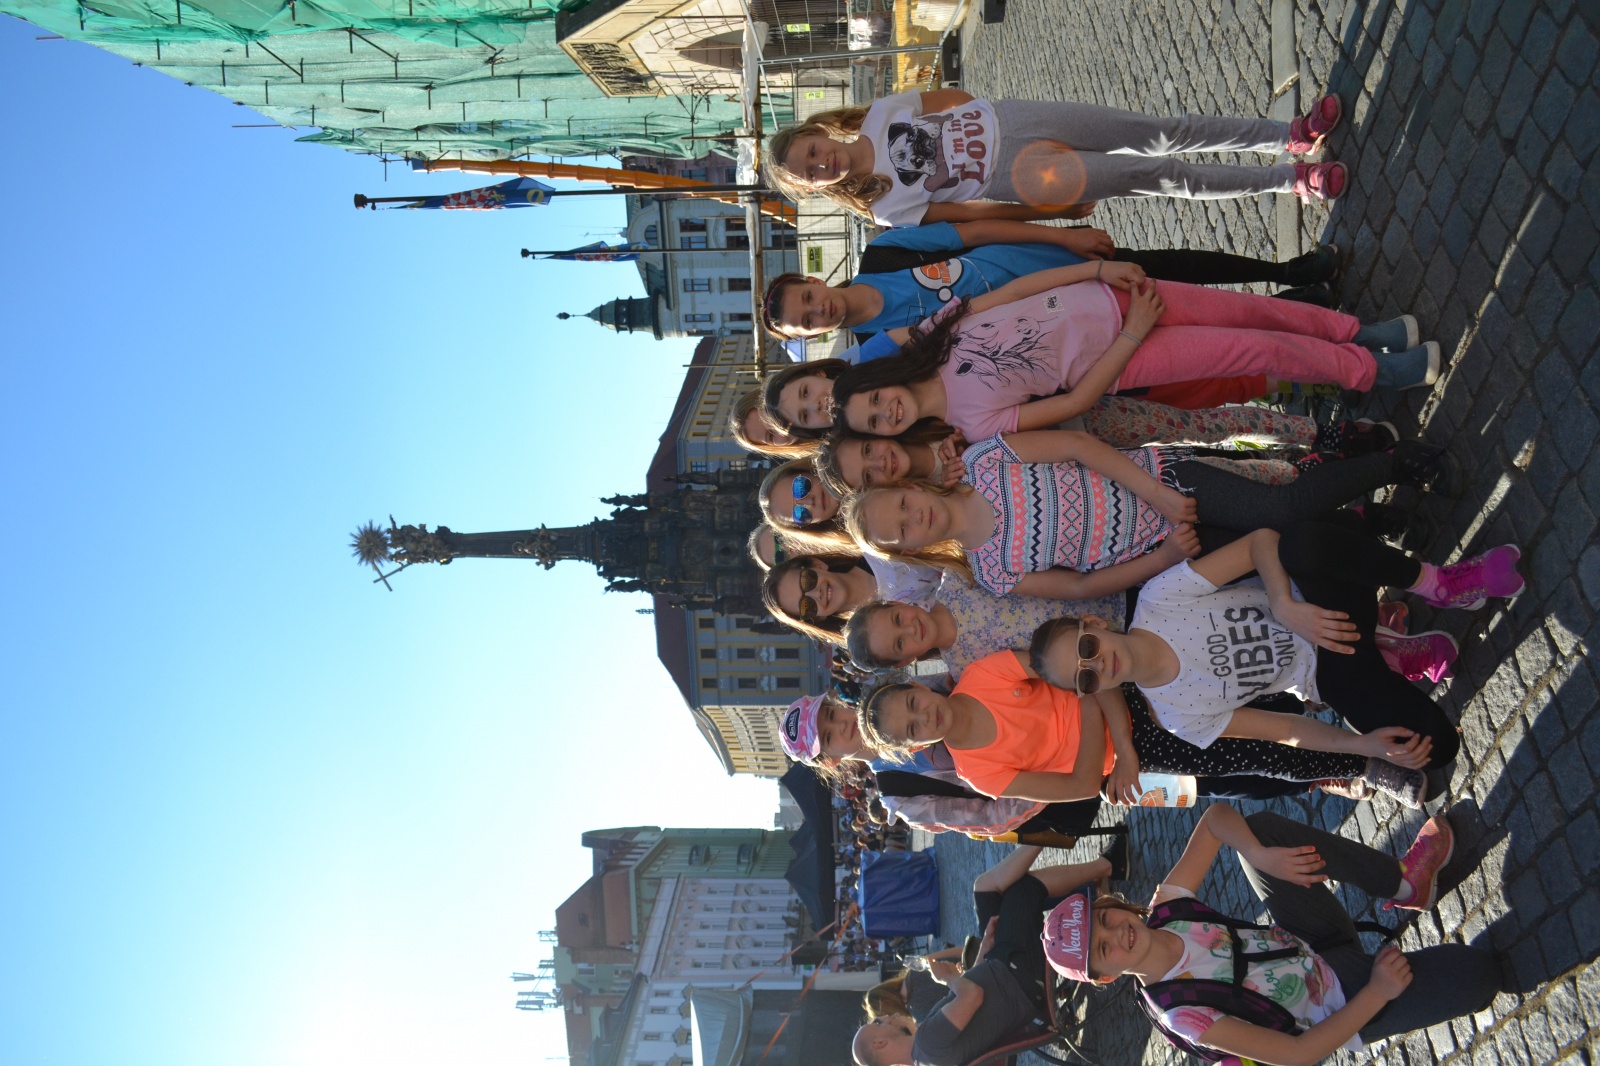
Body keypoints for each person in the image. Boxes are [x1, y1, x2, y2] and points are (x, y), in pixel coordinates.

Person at [1028, 522, 1526, 774]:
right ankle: (1388, 653)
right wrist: (1364, 747)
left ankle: (1438, 584)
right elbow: (1286, 730)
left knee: (1302, 543)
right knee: (1433, 749)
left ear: (1094, 623)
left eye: (1088, 646)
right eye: (1086, 676)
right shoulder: (1177, 715)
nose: (1099, 664)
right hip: (1328, 672)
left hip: (1318, 607)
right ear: (1091, 690)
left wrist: (1284, 604)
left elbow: (1261, 542)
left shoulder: (1159, 599)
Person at [1041, 803, 1499, 1063]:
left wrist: (1259, 855)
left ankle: (1404, 884)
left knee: (1260, 832)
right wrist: (1377, 992)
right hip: (1340, 1006)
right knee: (1481, 974)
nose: (1117, 934)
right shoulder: (1182, 1014)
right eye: (1103, 950)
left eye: (1104, 920)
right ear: (1106, 977)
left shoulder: (1167, 908)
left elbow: (1216, 819)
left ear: (1110, 905)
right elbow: (1297, 1055)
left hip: (1313, 941)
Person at [829, 264, 1437, 441]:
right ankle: (1375, 373)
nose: (886, 412)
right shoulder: (970, 425)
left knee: (1255, 311)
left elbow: (1013, 292)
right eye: (876, 424)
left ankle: (1358, 334)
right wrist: (1132, 336)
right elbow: (1076, 402)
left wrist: (1096, 270)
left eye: (874, 401)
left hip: (1110, 294)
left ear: (879, 379)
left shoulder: (934, 336)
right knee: (1255, 348)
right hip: (1128, 354)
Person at [840, 430, 1446, 600]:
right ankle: (1375, 529)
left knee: (1280, 506)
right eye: (901, 532)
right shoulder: (993, 573)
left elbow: (1079, 447)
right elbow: (1081, 587)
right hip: (1167, 548)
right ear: (909, 550)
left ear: (909, 487)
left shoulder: (984, 461)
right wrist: (1165, 557)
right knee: (1283, 548)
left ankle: (1396, 463)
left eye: (902, 505)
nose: (913, 518)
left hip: (1163, 482)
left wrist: (1157, 494)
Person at [856, 655, 1429, 806]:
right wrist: (1101, 720)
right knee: (1257, 755)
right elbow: (1081, 786)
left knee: (1251, 691)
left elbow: (1083, 666)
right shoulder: (979, 772)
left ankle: (1356, 688)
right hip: (1142, 749)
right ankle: (1363, 766)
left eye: (912, 703)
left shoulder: (984, 674)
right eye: (911, 730)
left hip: (1131, 700)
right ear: (913, 748)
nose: (923, 717)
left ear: (916, 686)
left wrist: (1113, 737)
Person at [765, 91, 1349, 230]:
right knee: (1156, 176)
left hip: (1017, 121)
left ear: (818, 133)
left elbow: (949, 99)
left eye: (812, 152)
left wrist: (989, 117)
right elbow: (971, 216)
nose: (822, 164)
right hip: (1020, 178)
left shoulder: (880, 112)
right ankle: (1291, 180)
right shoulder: (885, 208)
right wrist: (1051, 211)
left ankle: (1287, 135)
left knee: (1156, 131)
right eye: (810, 174)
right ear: (815, 188)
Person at [760, 224, 1341, 352]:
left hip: (1042, 260)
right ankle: (1292, 311)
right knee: (1173, 318)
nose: (818, 310)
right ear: (811, 336)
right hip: (1053, 320)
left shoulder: (883, 253)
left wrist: (1062, 235)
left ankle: (1286, 272)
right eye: (806, 322)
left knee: (1172, 269)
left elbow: (975, 231)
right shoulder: (875, 347)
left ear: (813, 280)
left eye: (807, 299)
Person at [851, 843, 1123, 1066]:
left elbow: (974, 1000)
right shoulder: (927, 1045)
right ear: (880, 1043)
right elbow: (972, 995)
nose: (885, 1018)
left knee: (986, 891)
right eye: (878, 1023)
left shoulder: (925, 1050)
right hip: (1019, 978)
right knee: (1023, 891)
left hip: (1005, 971)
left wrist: (983, 950)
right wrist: (947, 979)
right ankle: (1106, 864)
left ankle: (1058, 850)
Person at [761, 553, 940, 644]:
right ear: (817, 618)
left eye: (807, 581)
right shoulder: (876, 641)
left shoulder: (881, 550)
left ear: (817, 564)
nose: (816, 593)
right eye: (806, 606)